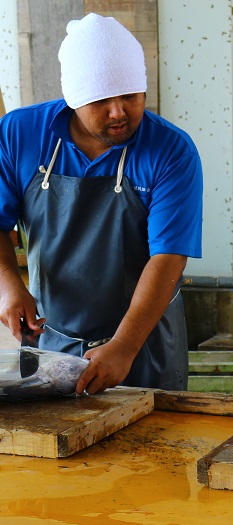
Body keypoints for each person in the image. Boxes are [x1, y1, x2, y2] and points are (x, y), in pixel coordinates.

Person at [0, 13, 203, 394]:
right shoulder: (19, 134)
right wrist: (9, 286)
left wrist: (125, 345)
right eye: (101, 99)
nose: (118, 111)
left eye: (130, 96)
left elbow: (169, 257)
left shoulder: (171, 150)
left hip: (145, 343)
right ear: (74, 97)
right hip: (52, 340)